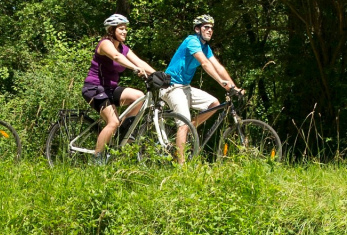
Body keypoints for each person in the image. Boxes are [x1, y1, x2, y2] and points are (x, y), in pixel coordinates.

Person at [164, 15, 241, 163]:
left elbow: (218, 67)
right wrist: (222, 83)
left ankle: (187, 129)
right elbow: (205, 63)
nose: (210, 30)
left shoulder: (205, 47)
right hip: (172, 87)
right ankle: (180, 168)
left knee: (214, 104)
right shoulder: (192, 40)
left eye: (212, 28)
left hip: (184, 87)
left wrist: (234, 87)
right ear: (197, 29)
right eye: (206, 27)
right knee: (183, 124)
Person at [83, 14, 158, 159]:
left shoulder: (123, 48)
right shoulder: (105, 44)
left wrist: (158, 74)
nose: (125, 32)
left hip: (109, 89)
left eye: (125, 29)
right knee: (112, 121)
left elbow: (139, 61)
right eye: (121, 29)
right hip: (93, 88)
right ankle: (97, 159)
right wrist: (134, 68)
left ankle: (121, 133)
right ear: (111, 30)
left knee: (139, 97)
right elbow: (117, 57)